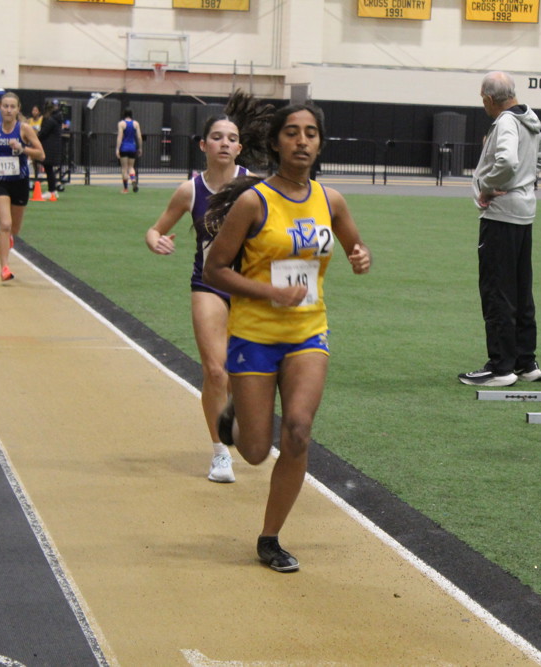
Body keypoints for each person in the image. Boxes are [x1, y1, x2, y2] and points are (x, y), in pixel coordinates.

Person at [203, 103, 371, 572]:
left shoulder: (331, 201)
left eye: (311, 133)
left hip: (307, 332)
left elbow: (356, 246)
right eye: (292, 132)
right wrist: (270, 292)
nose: (302, 141)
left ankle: (270, 538)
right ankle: (235, 419)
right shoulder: (253, 202)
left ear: (320, 144)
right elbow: (215, 269)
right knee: (256, 452)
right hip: (254, 335)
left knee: (297, 429)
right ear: (276, 142)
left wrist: (361, 257)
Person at [146, 91, 273, 484]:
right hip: (208, 284)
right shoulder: (190, 190)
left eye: (231, 138)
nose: (224, 143)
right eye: (217, 137)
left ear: (240, 147)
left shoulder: (256, 187)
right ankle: (220, 453)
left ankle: (236, 417)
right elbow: (156, 228)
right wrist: (155, 240)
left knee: (239, 375)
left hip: (249, 288)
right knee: (215, 371)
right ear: (203, 145)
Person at [458, 71, 541, 387]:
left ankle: (501, 368)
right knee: (521, 290)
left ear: (488, 98)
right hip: (524, 213)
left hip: (501, 216)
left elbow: (508, 161)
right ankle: (525, 362)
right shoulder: (529, 119)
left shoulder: (506, 123)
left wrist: (488, 186)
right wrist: (524, 179)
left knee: (497, 290)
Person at [0, 92, 45, 282]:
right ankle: (4, 267)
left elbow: (41, 154)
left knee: (14, 229)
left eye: (12, 107)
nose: (9, 110)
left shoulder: (24, 129)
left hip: (20, 182)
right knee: (5, 224)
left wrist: (22, 148)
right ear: (0, 108)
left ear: (18, 109)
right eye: (5, 106)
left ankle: (9, 237)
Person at [37, 101, 62, 201]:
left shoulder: (50, 120)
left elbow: (43, 133)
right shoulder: (57, 119)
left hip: (49, 147)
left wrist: (36, 137)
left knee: (49, 169)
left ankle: (51, 190)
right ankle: (53, 190)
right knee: (49, 169)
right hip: (53, 147)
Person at [116, 109, 142, 193]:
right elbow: (139, 137)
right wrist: (140, 148)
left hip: (124, 147)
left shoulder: (121, 123)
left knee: (124, 168)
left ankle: (125, 189)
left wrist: (117, 148)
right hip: (132, 147)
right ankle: (133, 180)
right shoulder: (136, 123)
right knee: (131, 167)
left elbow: (120, 137)